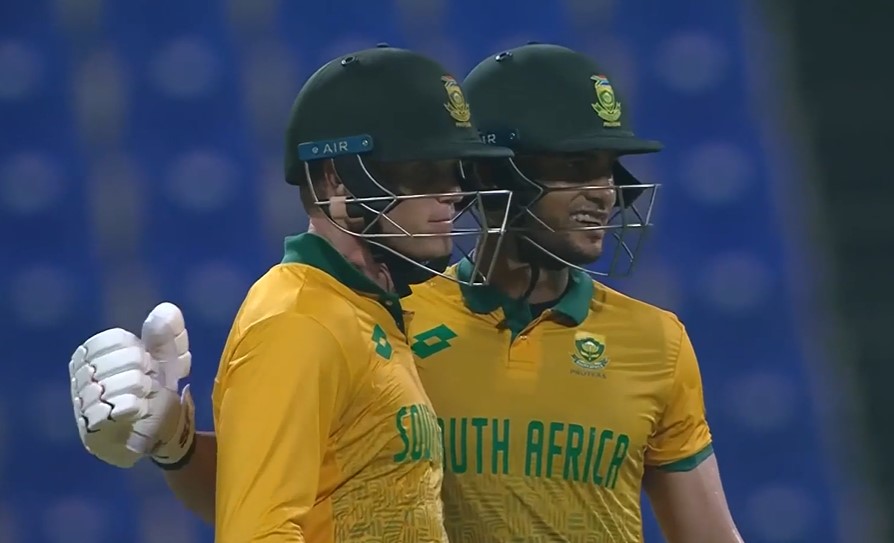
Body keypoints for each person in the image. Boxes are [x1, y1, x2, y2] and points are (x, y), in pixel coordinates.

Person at [69, 44, 744, 543]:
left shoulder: (656, 343)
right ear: (497, 177)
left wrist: (176, 442)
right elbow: (275, 504)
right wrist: (180, 448)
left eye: (608, 171)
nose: (605, 193)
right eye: (575, 165)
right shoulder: (369, 317)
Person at [69, 45, 513, 542]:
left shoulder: (364, 307)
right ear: (336, 181)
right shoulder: (300, 321)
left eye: (456, 170)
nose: (453, 192)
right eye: (424, 171)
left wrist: (182, 446)